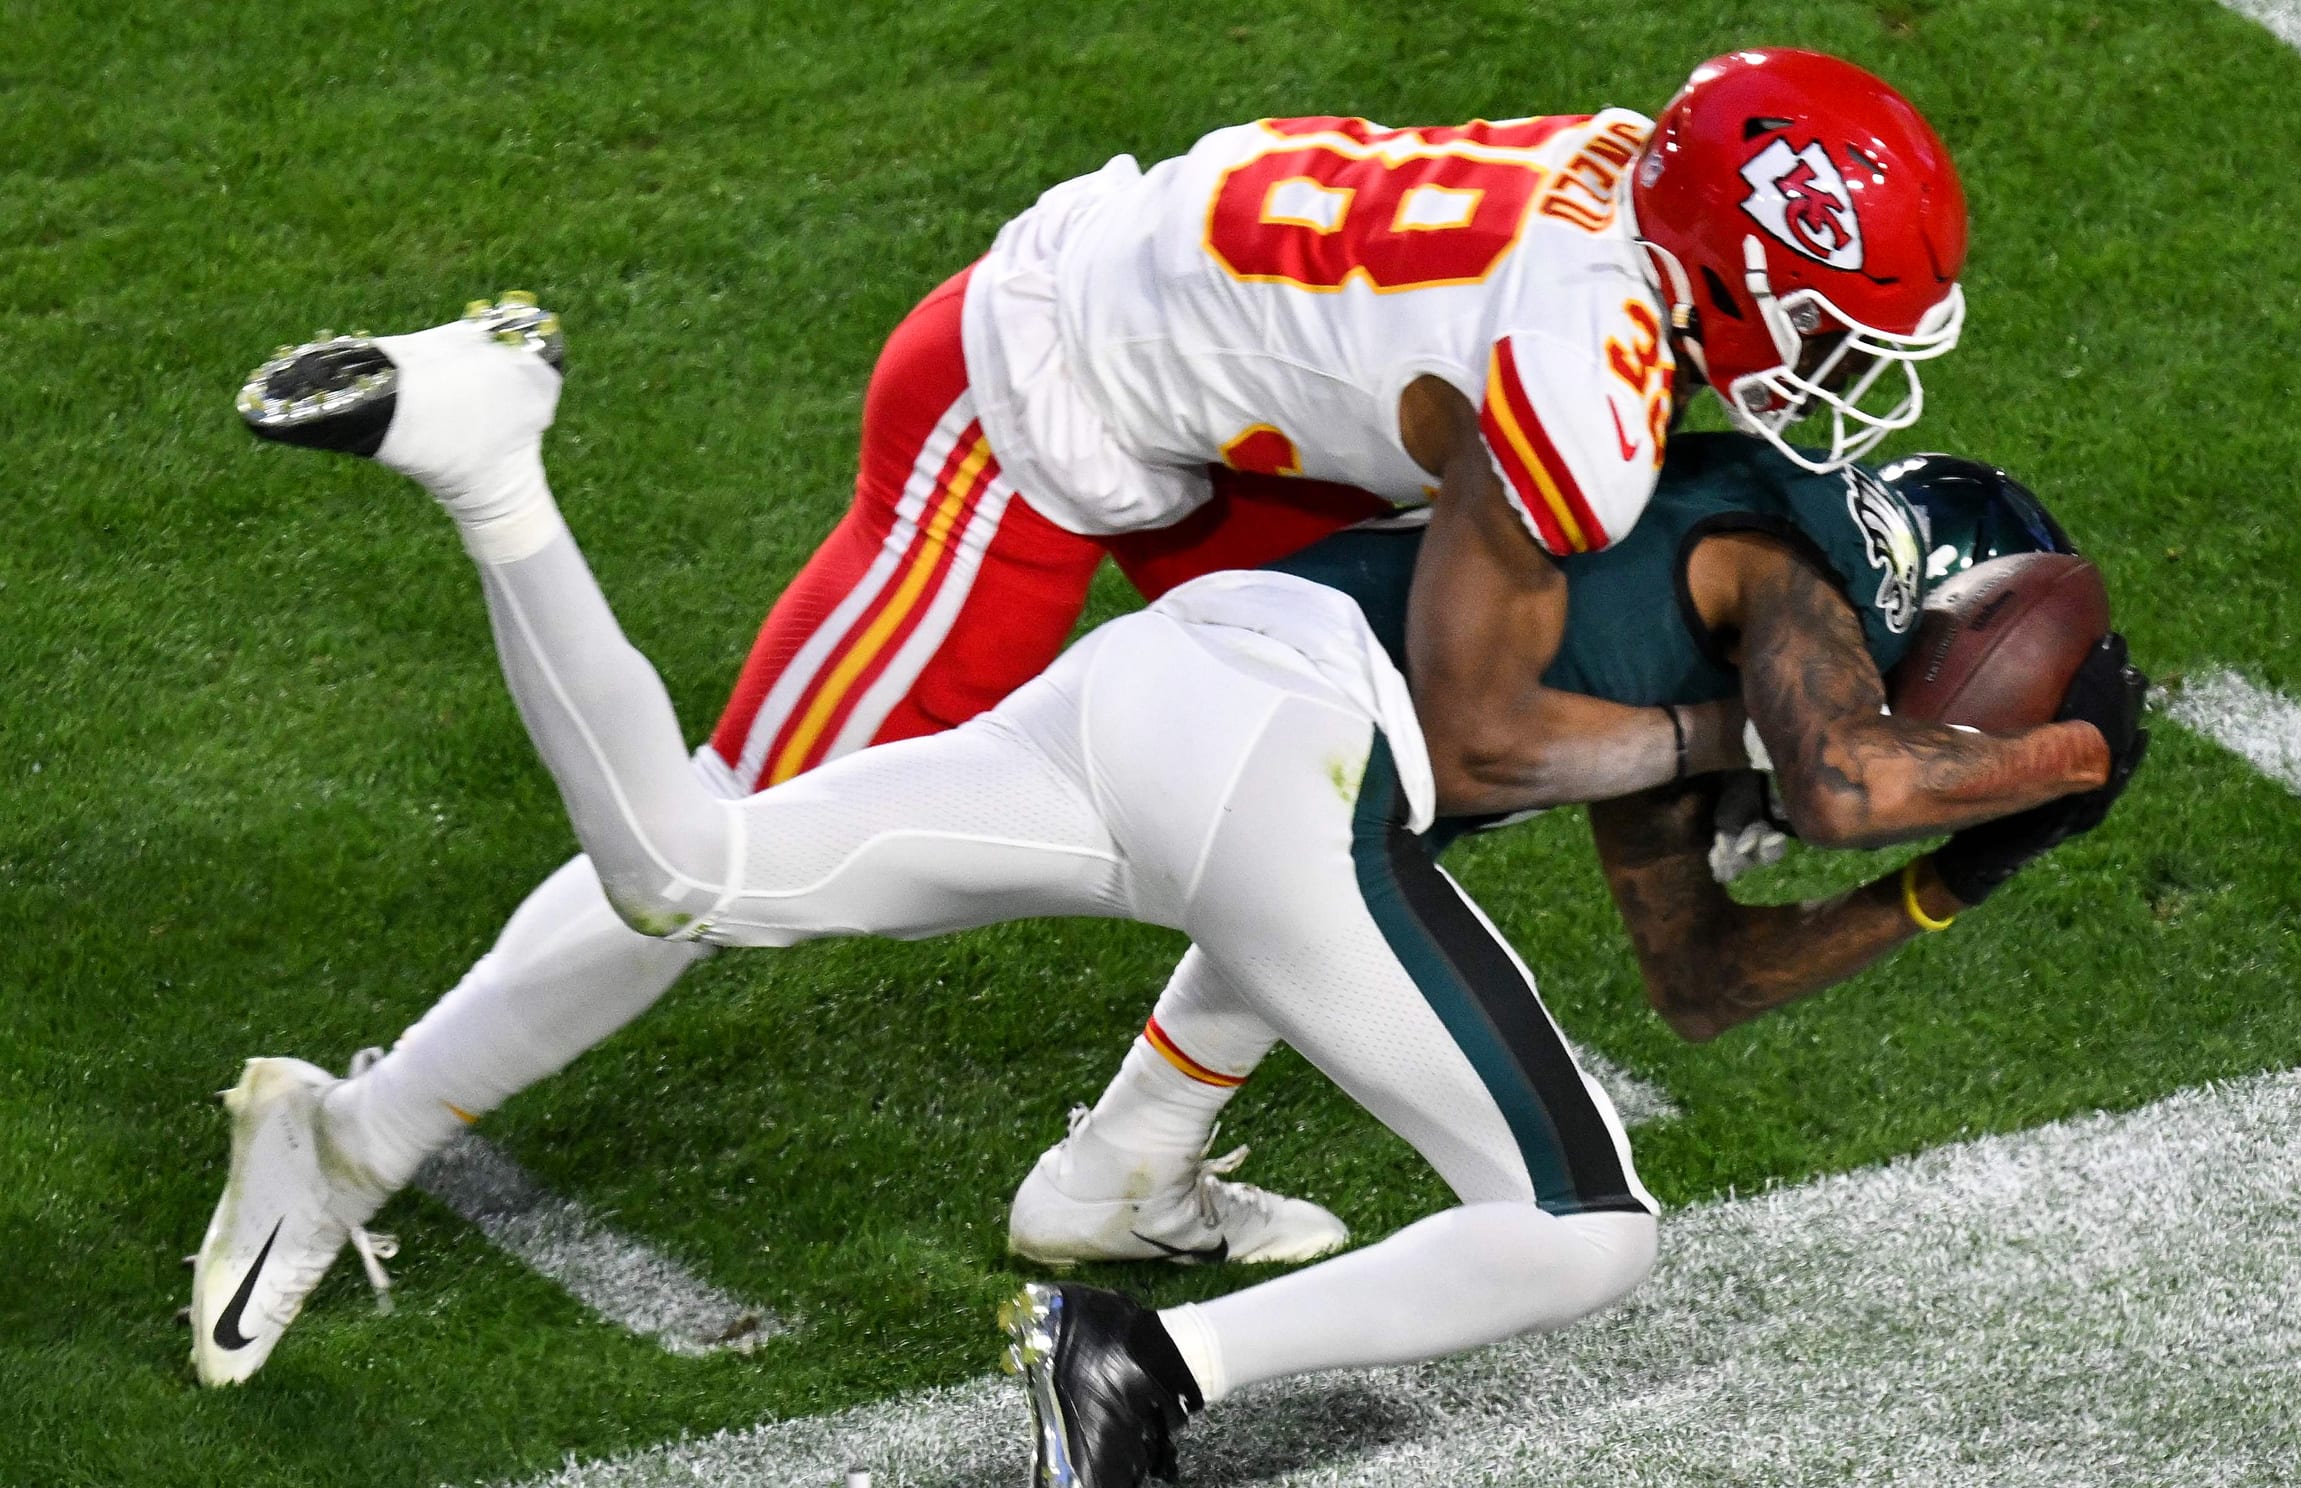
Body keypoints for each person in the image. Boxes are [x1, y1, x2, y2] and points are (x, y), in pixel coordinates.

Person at [203, 305, 2139, 1488]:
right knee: (1581, 1232)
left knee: (681, 873)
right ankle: (1140, 1361)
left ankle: (489, 477)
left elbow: (1700, 975)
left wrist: (1950, 886)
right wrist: (2055, 767)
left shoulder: (1705, 603)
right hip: (1286, 746)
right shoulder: (1786, 560)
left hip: (1175, 691)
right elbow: (1843, 775)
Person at [198, 49, 1971, 1379]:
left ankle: (1130, 1164)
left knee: (1363, 771)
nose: (1845, 367)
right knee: (710, 846)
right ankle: (354, 1135)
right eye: (1827, 320)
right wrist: (1738, 746)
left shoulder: (1625, 189)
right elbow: (1489, 709)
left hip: (1220, 396)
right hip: (1040, 402)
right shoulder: (1585, 368)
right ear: (1728, 265)